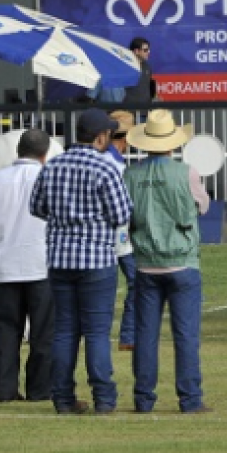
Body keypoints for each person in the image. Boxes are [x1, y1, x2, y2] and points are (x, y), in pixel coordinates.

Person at [29, 108, 132, 415]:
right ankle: (104, 397)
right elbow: (122, 215)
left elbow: (36, 207)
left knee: (64, 331)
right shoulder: (105, 168)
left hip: (60, 259)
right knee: (97, 333)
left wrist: (64, 220)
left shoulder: (53, 166)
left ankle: (62, 397)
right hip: (97, 259)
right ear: (101, 137)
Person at [124, 109, 211, 413]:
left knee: (146, 334)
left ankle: (143, 398)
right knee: (185, 335)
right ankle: (190, 399)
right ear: (173, 142)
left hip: (146, 261)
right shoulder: (186, 172)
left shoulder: (130, 175)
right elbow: (201, 205)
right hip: (182, 261)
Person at [0, 128, 54, 403]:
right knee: (43, 332)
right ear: (45, 154)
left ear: (18, 151)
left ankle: (5, 389)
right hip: (42, 264)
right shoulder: (49, 177)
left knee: (5, 332)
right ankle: (40, 388)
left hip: (5, 266)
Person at [103, 110, 136, 351]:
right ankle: (128, 335)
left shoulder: (100, 158)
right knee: (135, 283)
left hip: (102, 235)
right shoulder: (115, 163)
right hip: (120, 234)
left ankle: (102, 334)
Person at [125, 37, 155, 103]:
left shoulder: (147, 67)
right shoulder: (125, 67)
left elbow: (149, 86)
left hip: (145, 109)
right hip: (129, 109)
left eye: (149, 49)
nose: (149, 52)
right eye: (145, 50)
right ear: (136, 51)